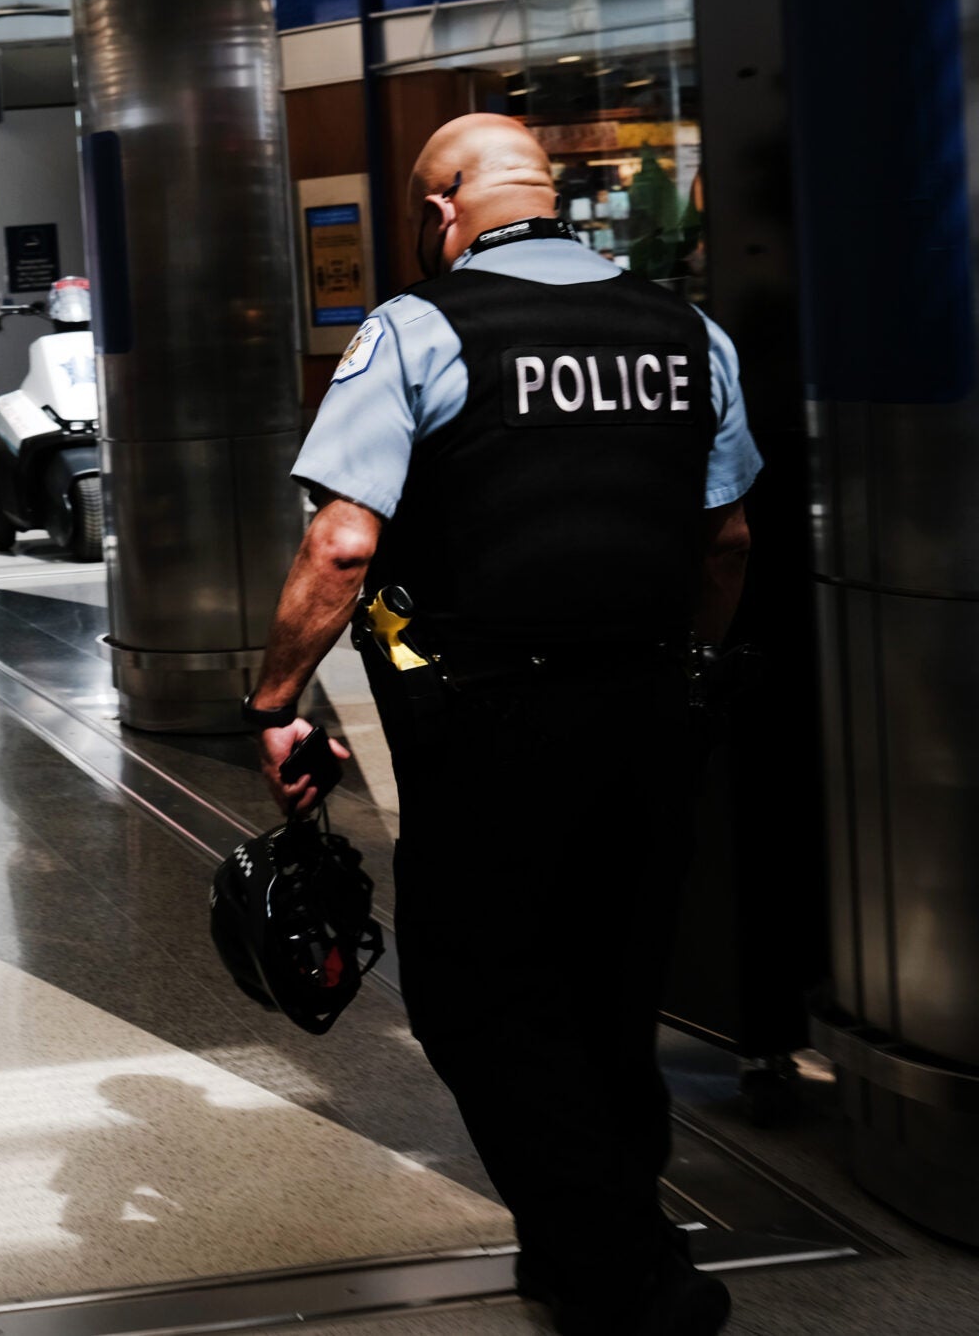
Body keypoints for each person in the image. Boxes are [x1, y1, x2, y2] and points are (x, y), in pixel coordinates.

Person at [244, 115, 758, 1336]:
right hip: (646, 713)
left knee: (479, 999)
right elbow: (726, 540)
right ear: (553, 192)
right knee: (609, 991)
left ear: (439, 211)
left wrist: (272, 704)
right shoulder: (686, 330)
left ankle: (617, 1271)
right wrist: (684, 666)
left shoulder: (418, 328)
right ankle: (589, 1242)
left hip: (492, 723)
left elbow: (341, 541)